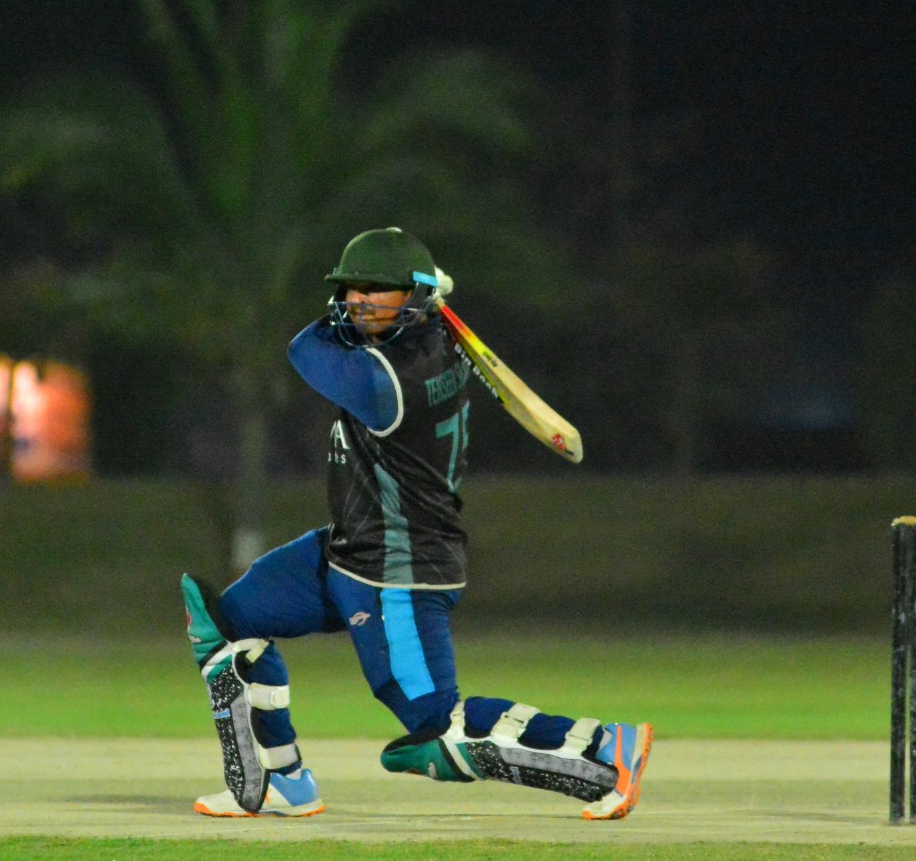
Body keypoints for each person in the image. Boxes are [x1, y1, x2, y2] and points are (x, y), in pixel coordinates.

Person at [181, 228, 652, 820]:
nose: (358, 300)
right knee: (231, 624)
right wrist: (416, 299)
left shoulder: (388, 381)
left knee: (437, 728)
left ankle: (604, 749)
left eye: (377, 289)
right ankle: (282, 781)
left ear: (418, 297)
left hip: (399, 571)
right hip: (349, 549)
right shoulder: (433, 343)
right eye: (352, 288)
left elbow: (304, 348)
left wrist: (394, 305)